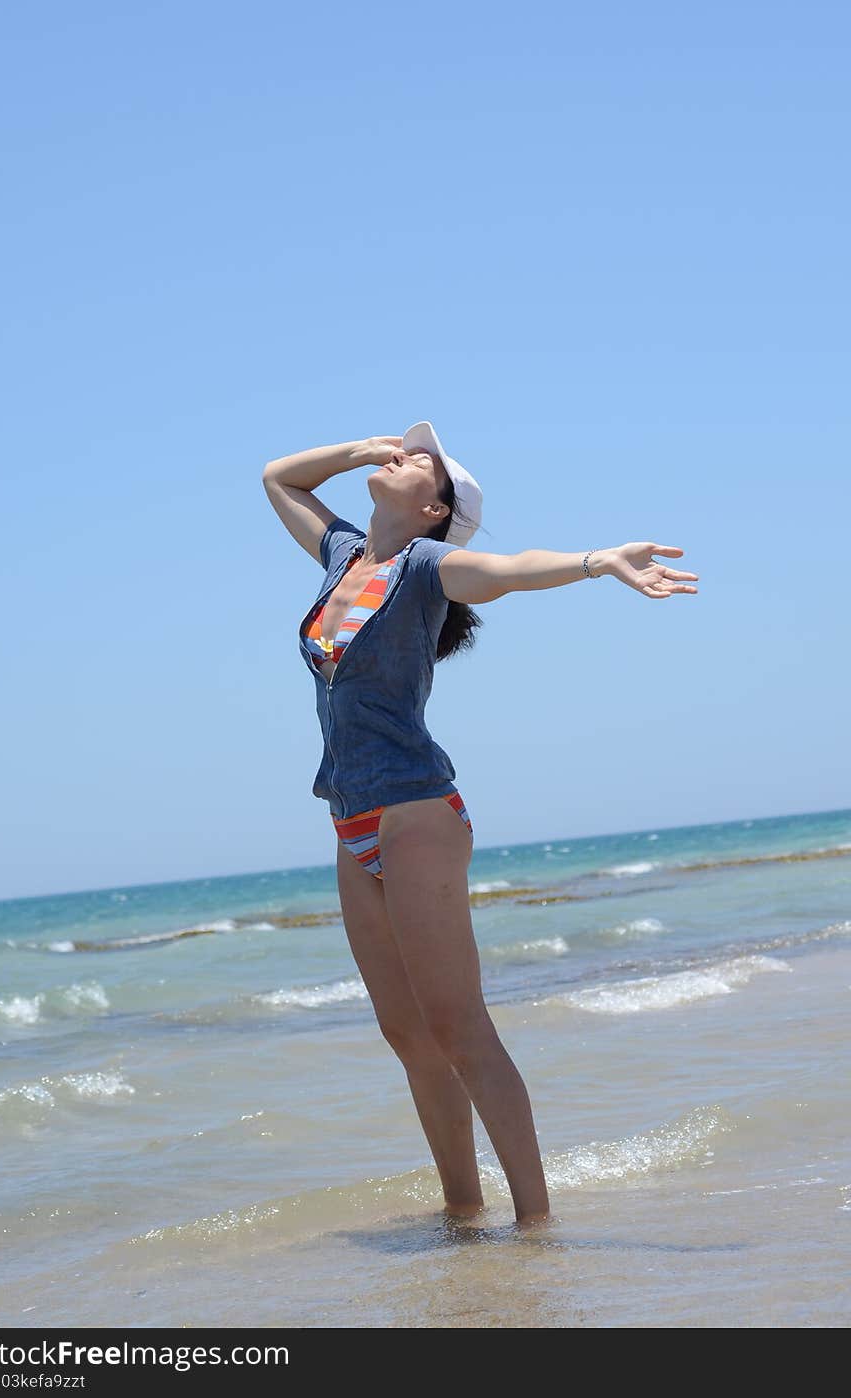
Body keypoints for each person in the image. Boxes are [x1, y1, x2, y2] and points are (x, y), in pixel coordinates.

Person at [262, 423, 699, 1228]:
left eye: (420, 458)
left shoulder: (430, 567)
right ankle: (463, 1212)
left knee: (458, 1027)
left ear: (434, 507)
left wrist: (598, 561)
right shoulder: (344, 557)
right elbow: (279, 479)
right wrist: (359, 451)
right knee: (407, 1035)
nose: (404, 453)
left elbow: (506, 571)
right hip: (347, 815)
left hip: (414, 810)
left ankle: (536, 1223)